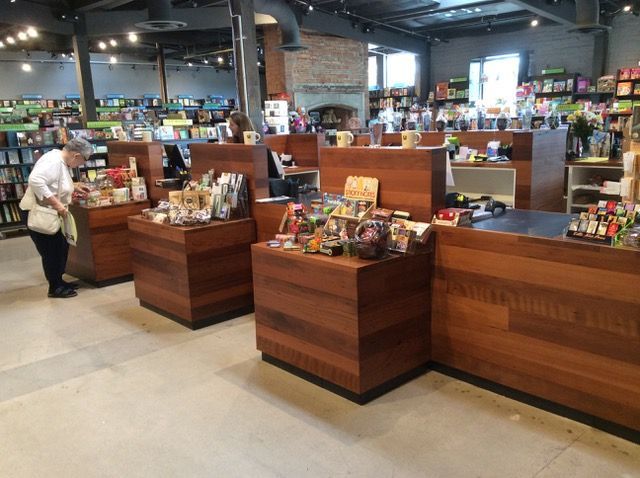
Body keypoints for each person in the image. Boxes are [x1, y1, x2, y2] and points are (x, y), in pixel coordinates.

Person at [27, 138, 92, 298]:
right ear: (76, 155)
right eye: (83, 160)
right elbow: (35, 181)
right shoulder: (54, 161)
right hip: (46, 214)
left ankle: (59, 281)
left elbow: (54, 181)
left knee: (61, 248)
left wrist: (74, 186)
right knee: (52, 251)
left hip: (55, 214)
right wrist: (57, 204)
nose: (82, 164)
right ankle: (54, 287)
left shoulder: (60, 159)